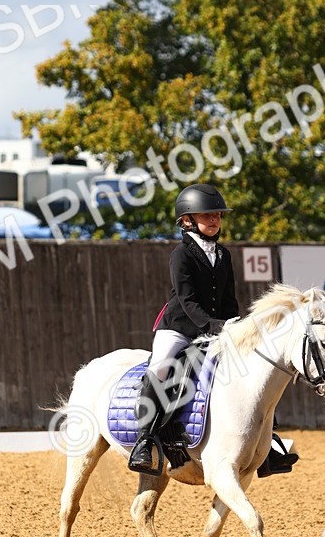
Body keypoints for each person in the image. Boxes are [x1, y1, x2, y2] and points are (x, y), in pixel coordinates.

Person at [127, 183, 298, 477]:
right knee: (161, 368)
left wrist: (237, 327)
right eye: (207, 215)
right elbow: (188, 301)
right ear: (187, 220)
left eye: (217, 215)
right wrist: (214, 326)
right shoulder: (181, 254)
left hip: (217, 330)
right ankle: (145, 440)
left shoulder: (223, 254)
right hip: (179, 329)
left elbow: (229, 299)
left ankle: (267, 443)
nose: (215, 219)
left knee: (250, 369)